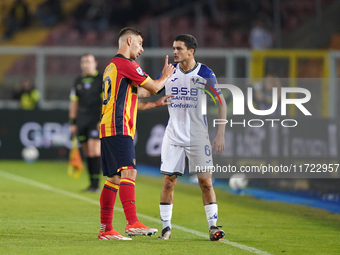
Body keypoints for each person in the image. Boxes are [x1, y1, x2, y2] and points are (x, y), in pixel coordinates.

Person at [98, 27, 175, 240]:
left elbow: (135, 97)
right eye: (140, 44)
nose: (141, 49)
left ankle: (106, 230)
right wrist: (165, 76)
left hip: (108, 126)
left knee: (114, 178)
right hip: (119, 126)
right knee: (129, 172)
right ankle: (132, 223)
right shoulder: (127, 64)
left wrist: (155, 104)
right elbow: (155, 86)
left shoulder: (112, 67)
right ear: (129, 41)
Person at [157, 34, 227, 241]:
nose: (174, 52)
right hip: (173, 137)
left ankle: (213, 226)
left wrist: (220, 133)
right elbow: (151, 89)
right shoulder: (170, 73)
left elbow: (220, 103)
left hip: (198, 137)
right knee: (168, 182)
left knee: (206, 183)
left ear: (191, 51)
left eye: (179, 48)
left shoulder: (205, 73)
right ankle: (166, 228)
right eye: (173, 48)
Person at [69, 54, 102, 192]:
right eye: (83, 62)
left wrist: (102, 119)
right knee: (88, 152)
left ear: (95, 63)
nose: (86, 64)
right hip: (82, 120)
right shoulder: (78, 80)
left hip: (96, 119)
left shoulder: (101, 79)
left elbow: (105, 101)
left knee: (94, 149)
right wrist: (72, 121)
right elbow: (74, 102)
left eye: (88, 61)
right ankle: (91, 184)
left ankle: (96, 184)